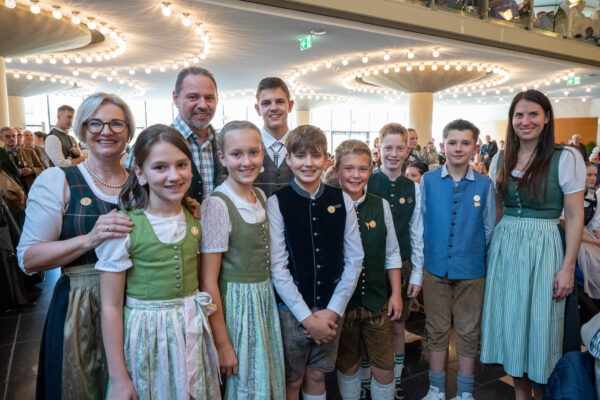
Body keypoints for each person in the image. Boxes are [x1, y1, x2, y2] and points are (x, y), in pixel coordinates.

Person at [17, 93, 135, 400]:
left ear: (128, 131)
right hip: (81, 306)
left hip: (138, 304)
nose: (106, 131)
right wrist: (89, 239)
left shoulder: (141, 181)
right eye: (96, 123)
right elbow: (29, 258)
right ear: (82, 130)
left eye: (116, 124)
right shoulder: (59, 179)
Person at [96, 124, 220, 400]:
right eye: (160, 167)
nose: (174, 176)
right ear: (140, 173)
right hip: (148, 337)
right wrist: (118, 378)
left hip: (192, 330)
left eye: (181, 165)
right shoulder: (125, 227)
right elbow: (111, 306)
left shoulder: (194, 219)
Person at [480, 90, 585, 399]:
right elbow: (498, 210)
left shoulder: (566, 157)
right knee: (512, 325)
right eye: (519, 115)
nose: (525, 121)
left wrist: (568, 267)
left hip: (544, 245)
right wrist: (492, 251)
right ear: (511, 120)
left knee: (542, 328)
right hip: (506, 246)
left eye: (533, 114)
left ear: (547, 117)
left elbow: (575, 216)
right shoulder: (500, 158)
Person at [267, 125, 363, 400]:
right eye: (300, 156)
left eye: (316, 155)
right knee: (292, 380)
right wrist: (306, 318)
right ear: (288, 160)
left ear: (327, 159)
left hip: (331, 306)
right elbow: (278, 267)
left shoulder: (342, 199)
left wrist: (332, 311)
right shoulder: (277, 202)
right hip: (291, 311)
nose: (308, 163)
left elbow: (354, 259)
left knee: (318, 375)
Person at [200, 120, 285, 399]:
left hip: (263, 300)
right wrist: (223, 343)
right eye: (236, 154)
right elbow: (208, 282)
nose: (247, 162)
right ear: (222, 158)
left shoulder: (259, 195)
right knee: (245, 384)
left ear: (262, 153)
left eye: (253, 152)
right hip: (236, 308)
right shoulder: (217, 204)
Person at [420, 119, 496, 400]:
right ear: (443, 146)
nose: (458, 148)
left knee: (468, 330)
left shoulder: (485, 185)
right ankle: (436, 389)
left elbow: (489, 227)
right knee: (436, 328)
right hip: (435, 267)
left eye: (465, 143)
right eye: (452, 142)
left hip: (472, 270)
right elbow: (421, 222)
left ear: (475, 147)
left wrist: (473, 253)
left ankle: (465, 392)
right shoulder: (428, 181)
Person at [332, 139, 403, 400]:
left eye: (362, 169)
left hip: (376, 300)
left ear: (370, 171)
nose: (356, 175)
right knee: (347, 365)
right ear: (336, 170)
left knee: (384, 368)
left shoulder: (380, 205)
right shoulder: (329, 206)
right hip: (342, 305)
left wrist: (396, 294)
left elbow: (392, 253)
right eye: (348, 168)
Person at [367, 123, 424, 399]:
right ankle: (366, 381)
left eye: (399, 148)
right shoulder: (366, 181)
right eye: (388, 147)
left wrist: (417, 274)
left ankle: (397, 379)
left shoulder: (414, 188)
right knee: (368, 325)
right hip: (369, 266)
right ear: (379, 148)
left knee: (398, 324)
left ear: (407, 149)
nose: (393, 153)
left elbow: (417, 233)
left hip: (403, 264)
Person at [125, 67, 223, 202]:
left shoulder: (225, 144)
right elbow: (131, 201)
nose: (203, 105)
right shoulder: (149, 144)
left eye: (209, 98)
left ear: (217, 99)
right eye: (193, 97)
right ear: (176, 98)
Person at [253, 77, 295, 197]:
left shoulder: (302, 146)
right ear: (258, 109)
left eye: (280, 102)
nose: (274, 108)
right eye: (266, 103)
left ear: (290, 106)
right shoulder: (248, 147)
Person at [576, 162, 600, 301]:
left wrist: (598, 240)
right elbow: (566, 227)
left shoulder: (594, 196)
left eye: (595, 175)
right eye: (589, 175)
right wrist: (594, 242)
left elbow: (596, 224)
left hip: (586, 232)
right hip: (573, 235)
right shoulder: (571, 194)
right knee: (593, 259)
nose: (593, 178)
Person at [1, 127, 45, 193]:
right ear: (1, 139)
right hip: (11, 191)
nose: (12, 139)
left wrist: (32, 170)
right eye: (7, 136)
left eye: (14, 136)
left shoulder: (30, 152)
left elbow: (42, 168)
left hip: (31, 189)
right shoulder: (2, 155)